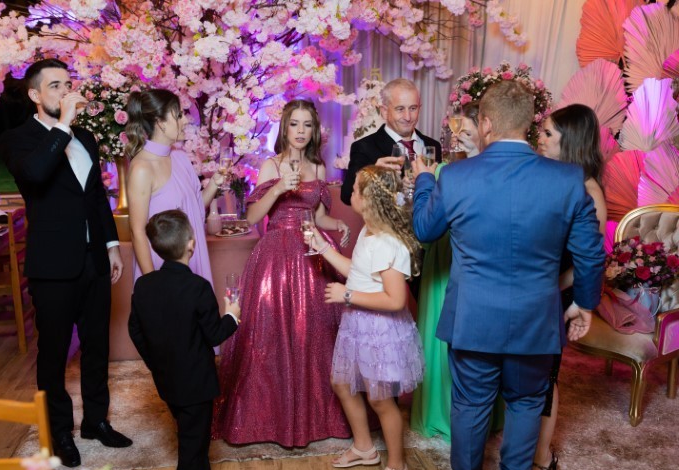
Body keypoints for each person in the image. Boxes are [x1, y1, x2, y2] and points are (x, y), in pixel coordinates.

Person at [412, 81, 605, 470]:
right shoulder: (567, 179)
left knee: (470, 404)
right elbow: (591, 253)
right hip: (536, 319)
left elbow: (425, 230)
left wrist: (425, 180)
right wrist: (585, 304)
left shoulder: (456, 176)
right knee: (526, 402)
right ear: (529, 125)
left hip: (473, 318)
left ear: (485, 124)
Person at [0, 58, 132, 468]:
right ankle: (59, 431)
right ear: (35, 95)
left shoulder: (85, 138)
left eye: (68, 84)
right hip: (52, 265)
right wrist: (63, 125)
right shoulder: (17, 140)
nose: (65, 91)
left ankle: (96, 421)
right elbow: (37, 174)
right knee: (54, 353)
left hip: (93, 259)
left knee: (97, 346)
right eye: (55, 86)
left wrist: (111, 244)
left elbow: (95, 197)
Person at [213, 99, 352, 446]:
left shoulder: (318, 168)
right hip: (276, 257)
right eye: (295, 124)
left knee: (315, 334)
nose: (301, 131)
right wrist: (277, 188)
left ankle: (318, 417)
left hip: (312, 252)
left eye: (307, 125)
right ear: (285, 128)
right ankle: (268, 420)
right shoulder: (270, 164)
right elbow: (252, 218)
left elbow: (317, 216)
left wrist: (336, 224)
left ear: (314, 130)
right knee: (271, 336)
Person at [306, 165, 425, 470]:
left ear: (370, 200)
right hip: (357, 324)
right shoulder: (369, 232)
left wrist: (347, 295)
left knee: (380, 399)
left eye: (356, 189)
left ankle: (398, 467)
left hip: (380, 329)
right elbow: (357, 271)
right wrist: (324, 249)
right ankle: (364, 447)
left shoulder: (387, 242)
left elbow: (396, 299)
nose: (351, 194)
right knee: (342, 383)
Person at [128, 210, 239, 470]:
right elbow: (214, 334)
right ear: (191, 244)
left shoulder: (144, 285)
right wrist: (232, 315)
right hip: (196, 384)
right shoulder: (198, 287)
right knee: (195, 444)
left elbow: (135, 330)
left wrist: (155, 362)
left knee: (188, 436)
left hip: (167, 380)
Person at [411, 102, 504, 441]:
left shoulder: (494, 172)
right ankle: (439, 411)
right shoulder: (442, 171)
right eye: (456, 130)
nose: (459, 136)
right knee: (438, 335)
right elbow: (425, 221)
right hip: (441, 259)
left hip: (470, 265)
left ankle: (473, 418)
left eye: (466, 130)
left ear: (486, 130)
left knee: (473, 346)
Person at [530, 103, 607, 470]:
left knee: (546, 375)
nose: (539, 139)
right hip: (536, 287)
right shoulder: (550, 178)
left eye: (548, 134)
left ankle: (542, 457)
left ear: (571, 141)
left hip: (556, 292)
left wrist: (544, 286)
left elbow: (587, 263)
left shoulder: (589, 192)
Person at [125, 89, 224, 283]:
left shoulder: (180, 157)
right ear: (160, 123)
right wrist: (153, 283)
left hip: (192, 259)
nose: (185, 120)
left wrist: (214, 182)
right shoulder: (142, 168)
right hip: (162, 270)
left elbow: (196, 209)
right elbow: (137, 232)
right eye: (178, 115)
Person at [341, 78, 441, 206]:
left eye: (413, 108)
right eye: (400, 109)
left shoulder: (433, 145)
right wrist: (374, 175)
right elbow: (347, 195)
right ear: (384, 111)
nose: (407, 117)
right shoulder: (364, 147)